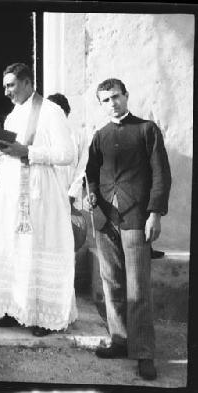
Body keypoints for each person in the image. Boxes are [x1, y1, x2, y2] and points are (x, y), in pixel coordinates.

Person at [86, 78, 171, 380]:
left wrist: (155, 214)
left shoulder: (147, 130)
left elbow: (161, 174)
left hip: (137, 217)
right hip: (106, 218)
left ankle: (144, 353)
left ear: (126, 96)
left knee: (138, 288)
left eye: (117, 97)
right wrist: (93, 194)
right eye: (106, 99)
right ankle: (120, 340)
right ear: (101, 104)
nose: (113, 103)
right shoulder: (100, 135)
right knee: (112, 283)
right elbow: (90, 171)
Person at [0, 63, 76, 337]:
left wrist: (28, 151)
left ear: (27, 83)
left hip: (40, 194)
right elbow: (11, 152)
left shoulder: (50, 110)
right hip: (13, 193)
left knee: (36, 248)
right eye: (5, 86)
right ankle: (15, 309)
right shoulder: (13, 115)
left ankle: (41, 315)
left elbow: (66, 153)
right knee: (15, 250)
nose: (6, 92)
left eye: (10, 85)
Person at [47, 93, 89, 210]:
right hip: (48, 195)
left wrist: (72, 194)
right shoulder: (42, 136)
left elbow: (82, 167)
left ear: (66, 113)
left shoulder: (78, 135)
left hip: (71, 195)